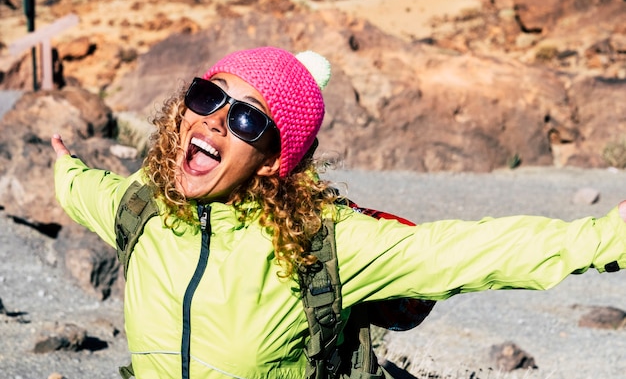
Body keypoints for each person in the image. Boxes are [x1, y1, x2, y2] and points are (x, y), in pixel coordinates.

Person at [52, 46, 626, 379]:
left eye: (250, 119)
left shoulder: (318, 242)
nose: (217, 121)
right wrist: (62, 168)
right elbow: (87, 190)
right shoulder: (140, 207)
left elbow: (461, 251)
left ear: (275, 162)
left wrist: (606, 237)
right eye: (209, 96)